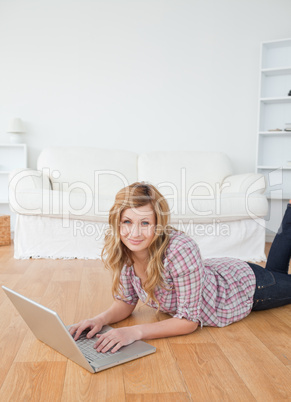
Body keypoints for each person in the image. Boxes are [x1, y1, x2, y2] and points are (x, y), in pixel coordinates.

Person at [69, 182, 291, 354]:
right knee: (278, 273)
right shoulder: (125, 248)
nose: (134, 233)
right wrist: (99, 320)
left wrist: (134, 332)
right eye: (127, 222)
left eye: (145, 223)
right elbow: (126, 302)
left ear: (159, 224)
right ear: (117, 221)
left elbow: (188, 321)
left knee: (276, 278)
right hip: (220, 270)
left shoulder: (180, 249)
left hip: (246, 288)